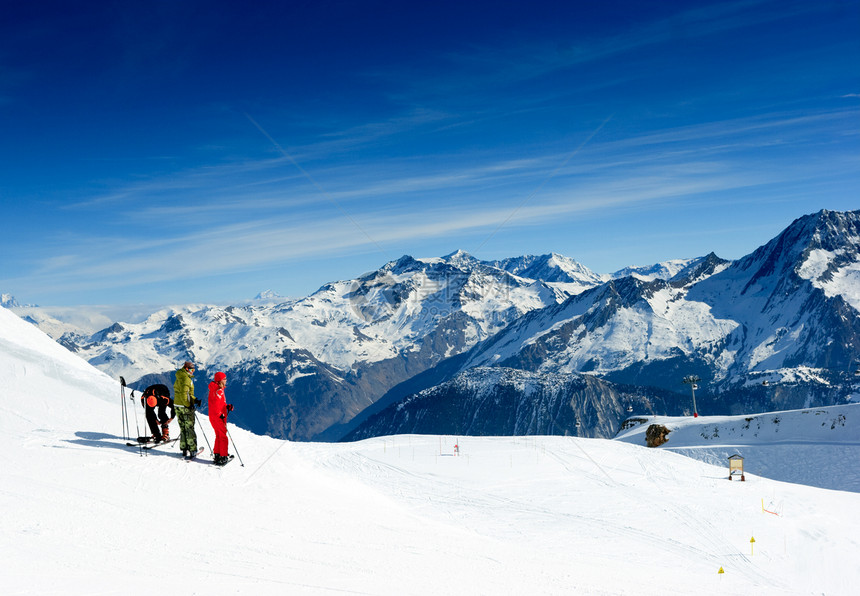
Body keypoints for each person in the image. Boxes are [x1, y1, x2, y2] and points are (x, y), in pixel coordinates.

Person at [173, 361, 199, 458]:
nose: (193, 371)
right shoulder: (186, 379)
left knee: (183, 427)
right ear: (187, 369)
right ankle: (192, 450)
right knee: (189, 428)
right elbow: (184, 394)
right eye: (191, 369)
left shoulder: (179, 376)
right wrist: (189, 404)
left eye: (194, 369)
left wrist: (194, 400)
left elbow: (183, 393)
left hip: (177, 405)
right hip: (184, 407)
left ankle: (184, 448)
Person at [207, 371, 234, 465]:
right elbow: (215, 405)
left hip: (213, 416)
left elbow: (219, 403)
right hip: (218, 417)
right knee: (223, 437)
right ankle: (223, 456)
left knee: (219, 435)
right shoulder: (218, 390)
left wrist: (226, 406)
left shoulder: (215, 389)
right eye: (225, 379)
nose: (226, 380)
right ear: (220, 380)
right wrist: (220, 414)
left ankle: (218, 455)